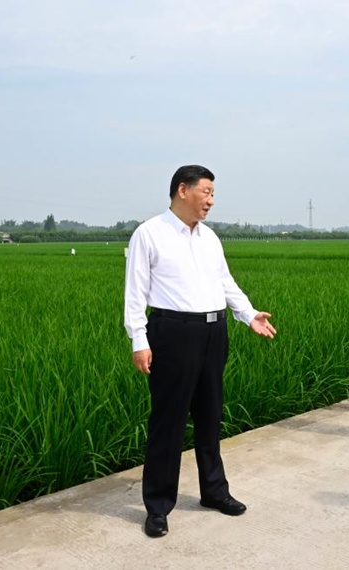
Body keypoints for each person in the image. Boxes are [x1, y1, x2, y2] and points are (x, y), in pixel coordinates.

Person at [124, 165, 277, 538]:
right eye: (206, 192)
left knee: (210, 416)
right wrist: (139, 340)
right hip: (173, 333)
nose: (211, 200)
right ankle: (158, 507)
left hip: (214, 332)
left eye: (212, 193)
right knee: (168, 422)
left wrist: (248, 314)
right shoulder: (150, 233)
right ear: (182, 190)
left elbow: (225, 281)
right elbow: (135, 293)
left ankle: (214, 491)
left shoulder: (209, 238)